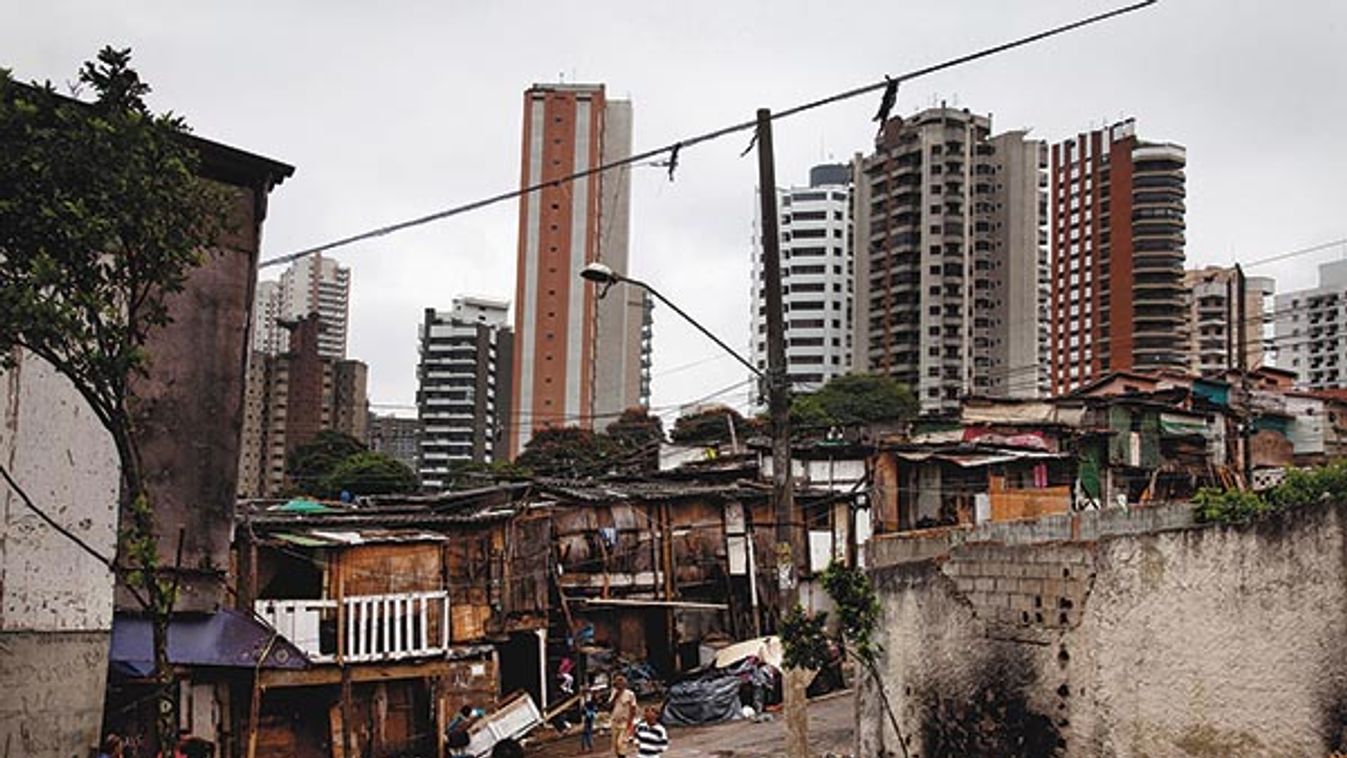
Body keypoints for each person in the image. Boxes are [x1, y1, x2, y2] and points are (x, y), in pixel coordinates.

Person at [608, 674, 638, 757]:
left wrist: (630, 721)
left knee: (621, 743)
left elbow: (633, 708)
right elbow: (609, 705)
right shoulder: (614, 693)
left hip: (625, 721)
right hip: (615, 721)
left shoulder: (630, 694)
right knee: (615, 746)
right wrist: (615, 696)